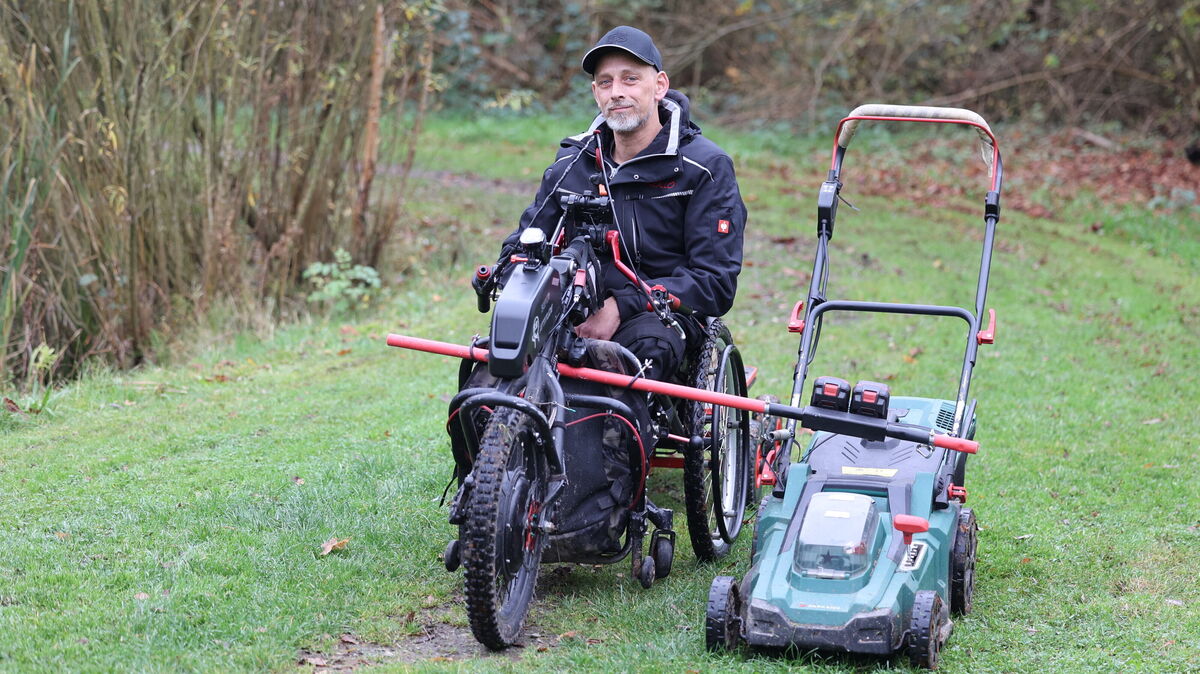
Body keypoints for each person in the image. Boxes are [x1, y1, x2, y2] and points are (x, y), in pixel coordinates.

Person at [498, 25, 747, 381]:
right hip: (575, 306)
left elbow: (714, 281)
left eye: (630, 79)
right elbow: (525, 241)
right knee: (490, 365)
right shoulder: (573, 161)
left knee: (644, 349)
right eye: (605, 82)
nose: (617, 92)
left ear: (659, 85)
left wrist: (621, 306)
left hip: (659, 317)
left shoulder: (705, 168)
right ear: (595, 92)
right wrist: (512, 275)